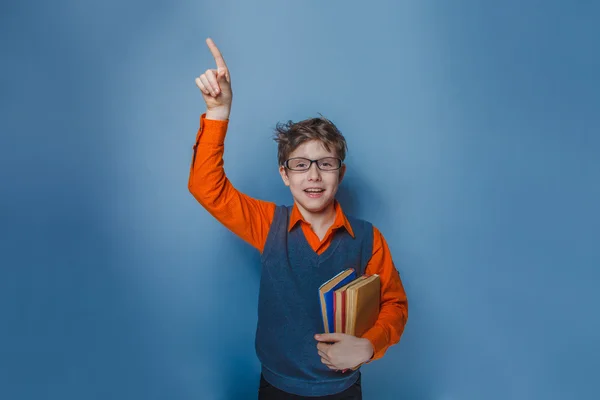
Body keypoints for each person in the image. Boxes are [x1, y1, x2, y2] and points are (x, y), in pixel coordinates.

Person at [189, 38, 408, 399]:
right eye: (301, 165)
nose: (314, 176)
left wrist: (369, 345)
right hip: (277, 387)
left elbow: (395, 304)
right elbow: (205, 187)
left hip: (343, 389)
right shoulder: (268, 223)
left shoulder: (368, 239)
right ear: (284, 175)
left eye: (325, 164)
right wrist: (218, 112)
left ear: (340, 172)